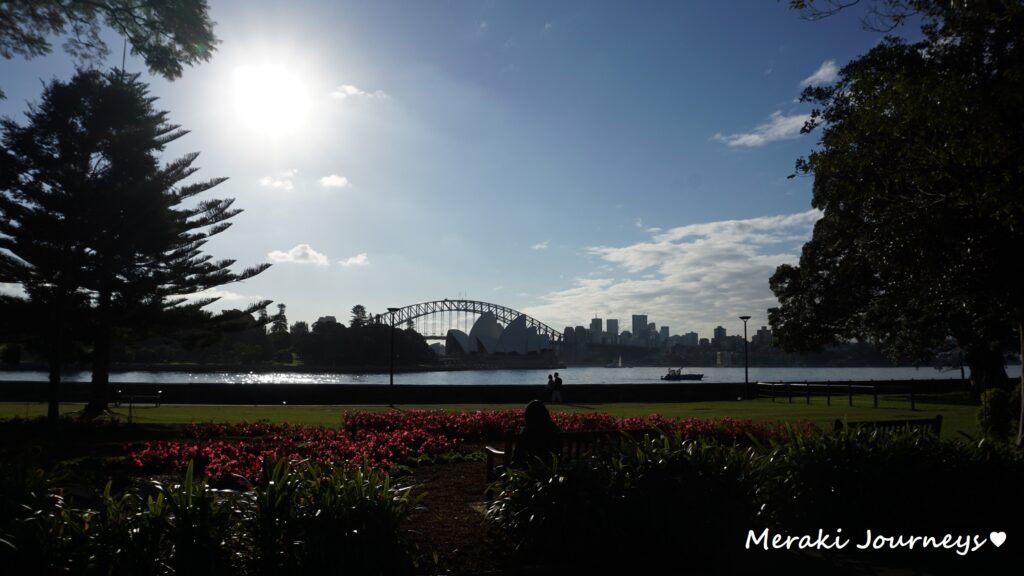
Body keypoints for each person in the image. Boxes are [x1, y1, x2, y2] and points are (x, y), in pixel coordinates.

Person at [512, 399, 561, 467]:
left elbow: (517, 455)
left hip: (529, 470)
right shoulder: (554, 429)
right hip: (551, 468)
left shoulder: (526, 431)